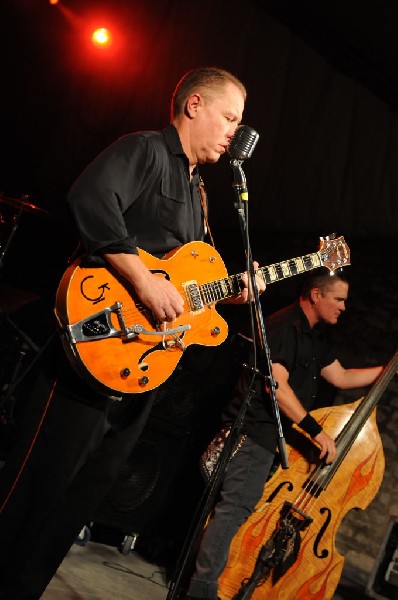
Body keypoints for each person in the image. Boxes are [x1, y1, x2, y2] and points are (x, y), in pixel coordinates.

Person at [0, 66, 265, 600]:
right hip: (93, 343)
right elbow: (91, 199)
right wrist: (142, 282)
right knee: (36, 487)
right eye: (230, 118)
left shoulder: (201, 194)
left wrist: (231, 290)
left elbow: (184, 281)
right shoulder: (144, 150)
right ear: (195, 105)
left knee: (80, 496)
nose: (235, 133)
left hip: (140, 368)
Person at [184, 268, 386, 600]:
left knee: (238, 511)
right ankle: (200, 592)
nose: (344, 307)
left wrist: (388, 367)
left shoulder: (313, 336)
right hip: (252, 435)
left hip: (267, 441)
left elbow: (343, 377)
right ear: (316, 295)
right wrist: (316, 432)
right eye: (339, 299)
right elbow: (275, 388)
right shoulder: (282, 326)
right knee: (234, 510)